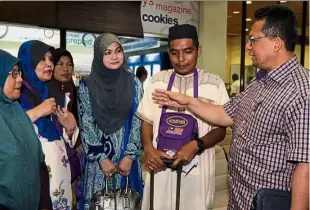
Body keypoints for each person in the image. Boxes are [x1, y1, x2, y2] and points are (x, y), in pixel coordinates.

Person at [153, 5, 309, 210]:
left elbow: (305, 168)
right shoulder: (260, 81)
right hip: (239, 200)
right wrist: (188, 101)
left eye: (253, 40)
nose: (248, 46)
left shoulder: (302, 91)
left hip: (267, 203)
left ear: (277, 43)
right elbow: (224, 114)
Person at [136, 24, 229, 210]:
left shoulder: (214, 83)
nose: (181, 59)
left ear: (198, 50)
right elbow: (146, 121)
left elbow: (221, 130)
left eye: (187, 51)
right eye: (174, 53)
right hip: (159, 167)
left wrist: (196, 145)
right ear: (168, 53)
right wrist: (148, 149)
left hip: (198, 168)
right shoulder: (157, 82)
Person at [77, 33, 143, 210]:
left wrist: (129, 156)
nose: (114, 56)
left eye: (118, 50)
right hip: (99, 165)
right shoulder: (87, 85)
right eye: (107, 52)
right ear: (99, 56)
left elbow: (139, 120)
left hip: (127, 162)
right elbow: (86, 124)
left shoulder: (134, 83)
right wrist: (101, 158)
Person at [18, 40, 79, 209]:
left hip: (60, 177)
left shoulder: (54, 94)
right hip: (33, 182)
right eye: (41, 59)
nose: (48, 64)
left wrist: (71, 128)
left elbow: (66, 141)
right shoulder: (16, 96)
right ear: (27, 62)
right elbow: (9, 130)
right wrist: (39, 111)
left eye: (50, 59)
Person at [0, 49, 46, 210]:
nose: (20, 79)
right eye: (13, 73)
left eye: (19, 73)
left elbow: (38, 159)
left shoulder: (16, 111)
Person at [53, 48, 84, 210]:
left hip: (76, 159)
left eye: (69, 64)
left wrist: (78, 140)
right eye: (60, 64)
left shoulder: (78, 93)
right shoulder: (46, 94)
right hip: (56, 158)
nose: (66, 68)